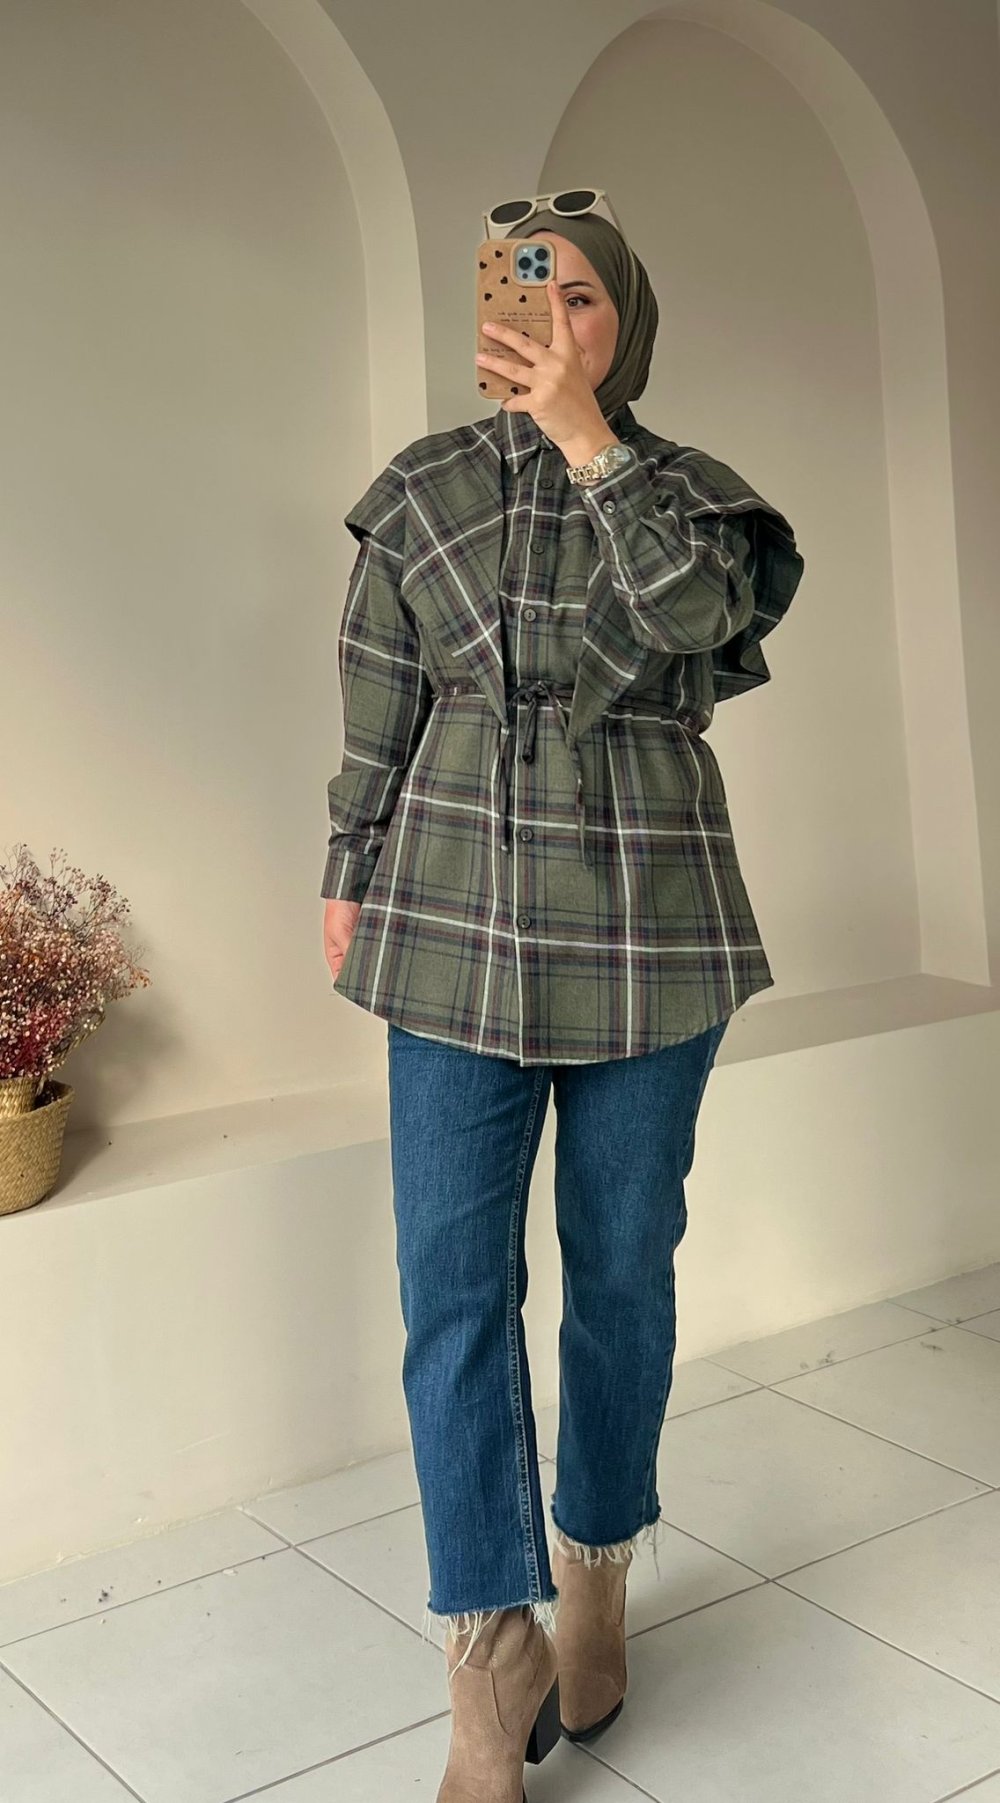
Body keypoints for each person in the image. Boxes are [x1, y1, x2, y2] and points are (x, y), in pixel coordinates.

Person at [321, 199, 805, 1803]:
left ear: (629, 322)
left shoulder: (696, 500)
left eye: (585, 297)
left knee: (622, 1270)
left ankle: (594, 1570)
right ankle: (488, 1648)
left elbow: (692, 617)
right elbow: (378, 696)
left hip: (654, 921)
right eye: (530, 292)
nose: (554, 320)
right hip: (450, 915)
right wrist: (346, 863)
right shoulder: (422, 492)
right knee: (451, 1291)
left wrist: (591, 443)